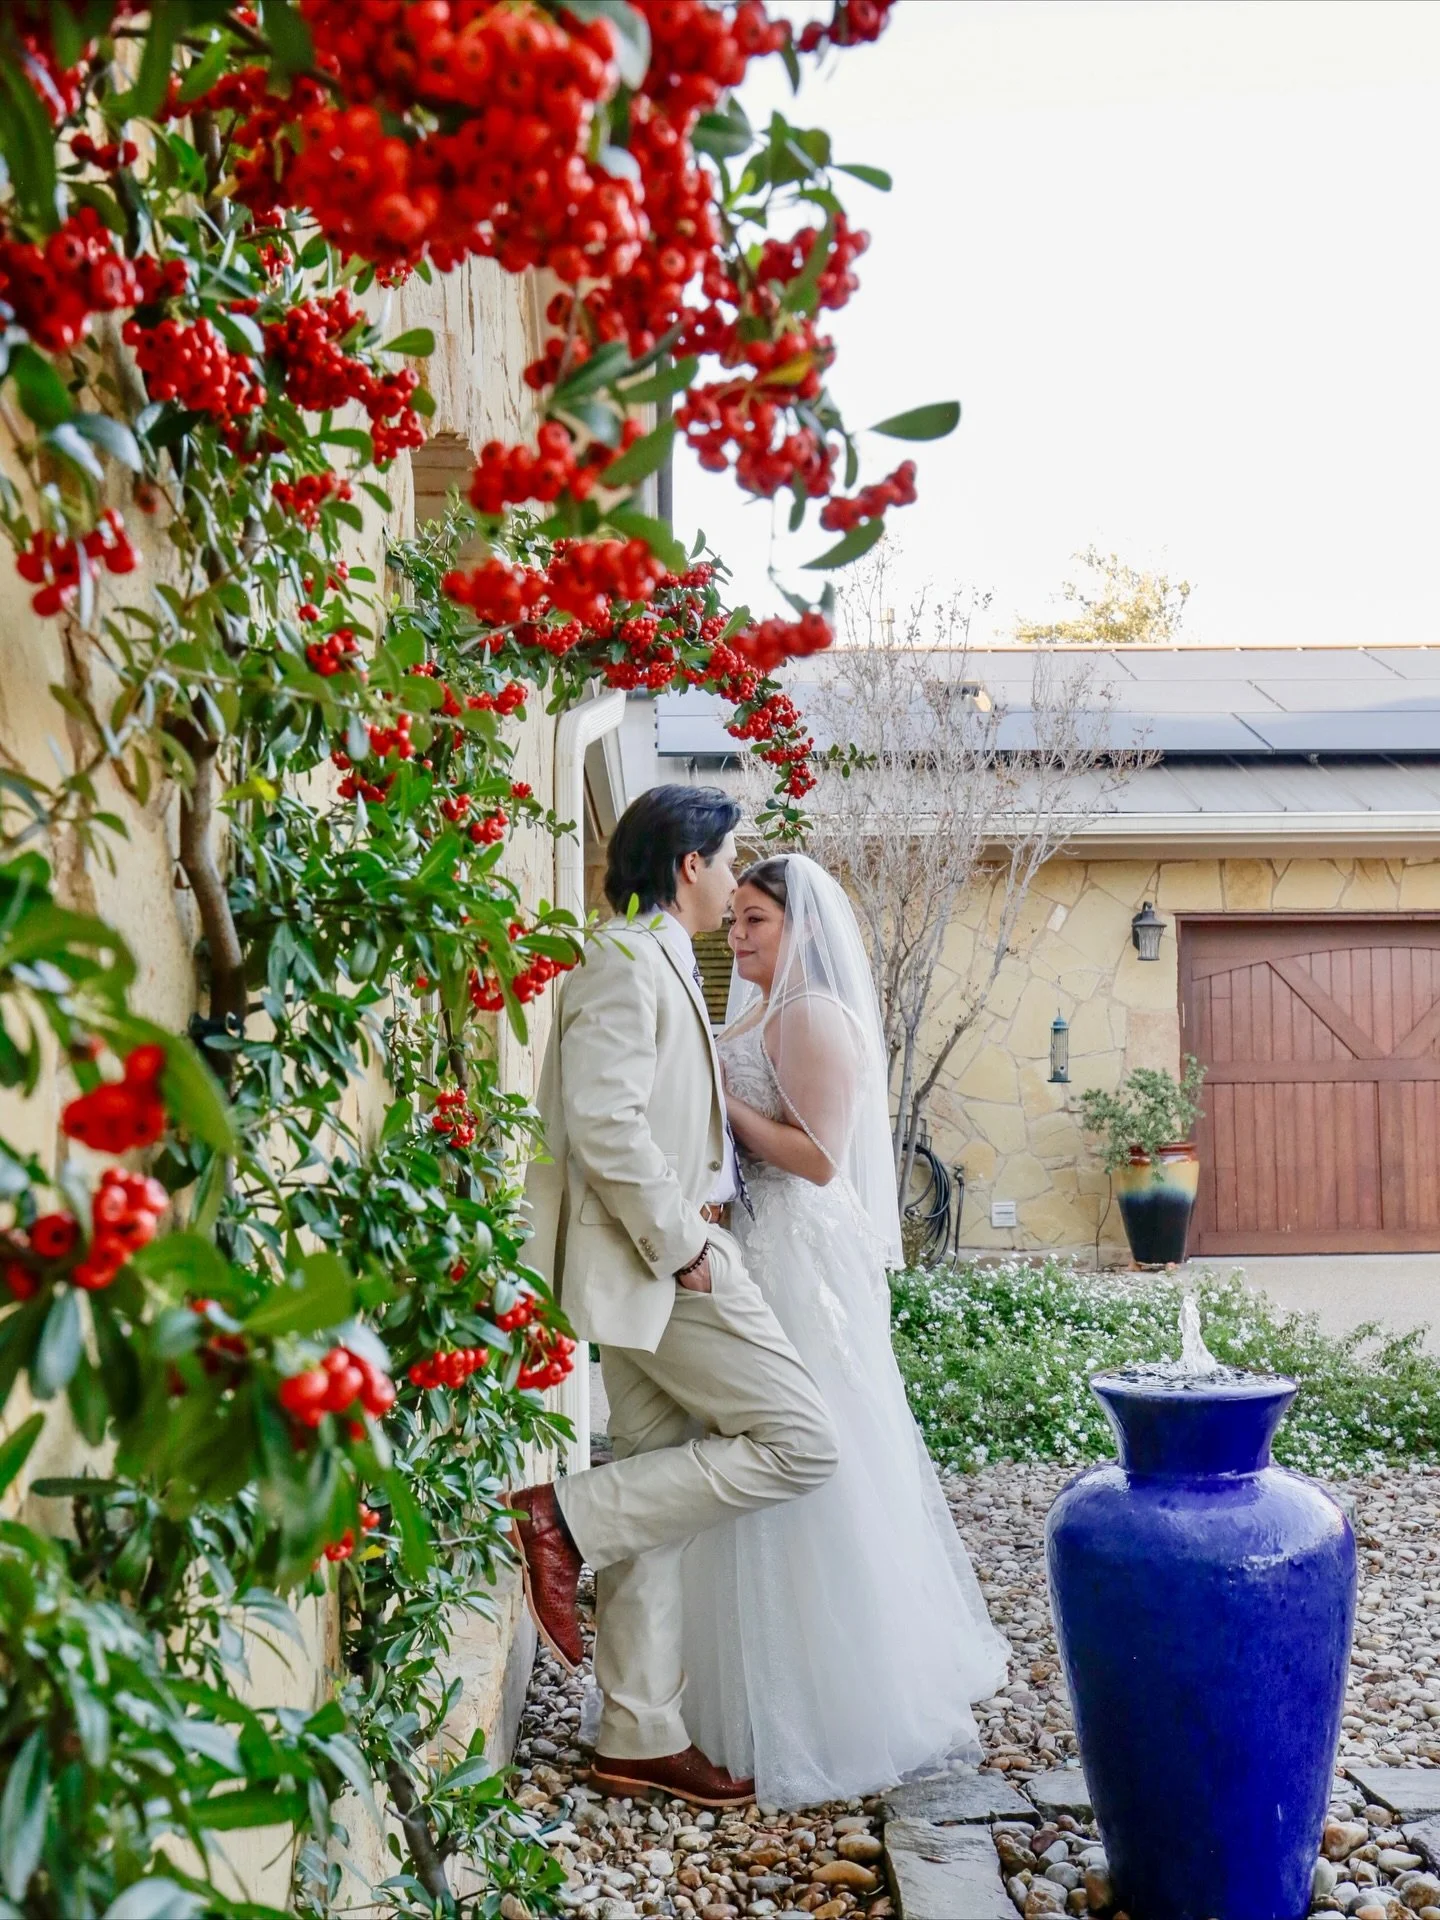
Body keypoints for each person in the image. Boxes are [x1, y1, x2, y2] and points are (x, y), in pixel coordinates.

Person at [509, 788, 841, 1809]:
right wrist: (684, 1247)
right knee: (801, 1441)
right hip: (662, 1260)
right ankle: (562, 1514)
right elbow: (603, 1122)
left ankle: (638, 1732)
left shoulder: (653, 958)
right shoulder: (619, 960)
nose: (734, 877)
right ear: (688, 864)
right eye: (727, 858)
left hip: (658, 1264)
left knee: (661, 1473)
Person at [679, 852, 1009, 1808]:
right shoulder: (754, 1006)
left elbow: (818, 1159)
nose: (735, 936)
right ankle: (723, 1700)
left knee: (807, 1445)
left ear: (801, 929)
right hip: (753, 1244)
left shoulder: (813, 1015)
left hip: (797, 1255)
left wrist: (719, 1107)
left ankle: (833, 1704)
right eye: (733, 919)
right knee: (746, 1442)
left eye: (755, 922)